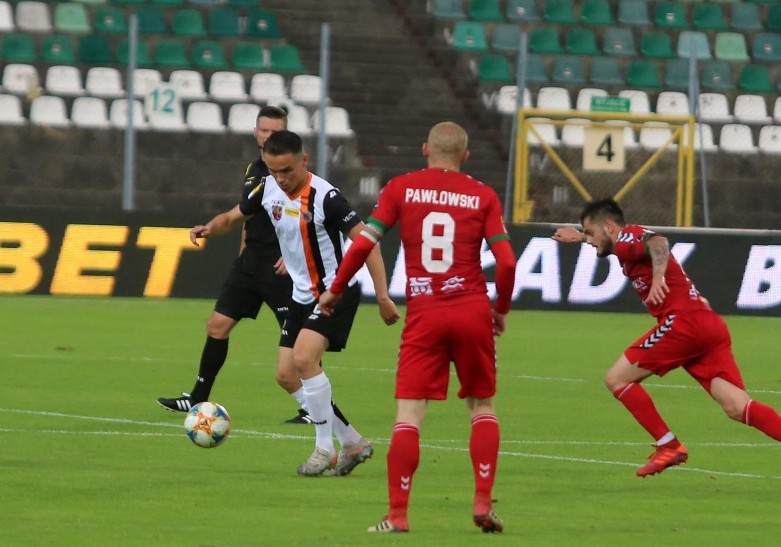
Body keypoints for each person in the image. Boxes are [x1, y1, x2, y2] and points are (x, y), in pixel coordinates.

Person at [319, 121, 517, 533]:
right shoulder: (482, 195)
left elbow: (363, 242)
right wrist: (500, 308)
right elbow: (508, 262)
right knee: (482, 406)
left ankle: (398, 515)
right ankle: (482, 501)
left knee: (409, 416)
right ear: (465, 156)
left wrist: (335, 290)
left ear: (425, 148)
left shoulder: (401, 189)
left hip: (425, 314)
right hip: (471, 310)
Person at [552, 197, 781, 487]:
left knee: (617, 379)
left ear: (609, 226)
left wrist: (658, 277)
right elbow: (626, 243)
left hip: (683, 324)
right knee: (736, 405)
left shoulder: (627, 236)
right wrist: (581, 237)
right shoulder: (620, 244)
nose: (591, 242)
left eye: (591, 233)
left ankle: (668, 445)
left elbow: (658, 242)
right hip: (707, 324)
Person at [190, 129, 400, 476]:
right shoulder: (266, 188)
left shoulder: (326, 197)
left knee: (304, 358)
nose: (281, 179)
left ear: (304, 160)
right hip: (301, 295)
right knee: (287, 375)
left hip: (334, 291)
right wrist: (210, 228)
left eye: (287, 170)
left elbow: (369, 243)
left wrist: (382, 296)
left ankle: (323, 449)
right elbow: (231, 217)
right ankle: (352, 442)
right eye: (274, 171)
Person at [156, 106, 309, 425]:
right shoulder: (254, 169)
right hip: (250, 263)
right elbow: (244, 214)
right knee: (216, 325)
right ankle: (197, 398)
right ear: (256, 133)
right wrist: (223, 236)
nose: (268, 135)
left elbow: (308, 217)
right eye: (263, 130)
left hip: (282, 268)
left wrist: (296, 253)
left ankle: (313, 405)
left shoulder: (292, 174)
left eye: (275, 131)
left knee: (295, 350)